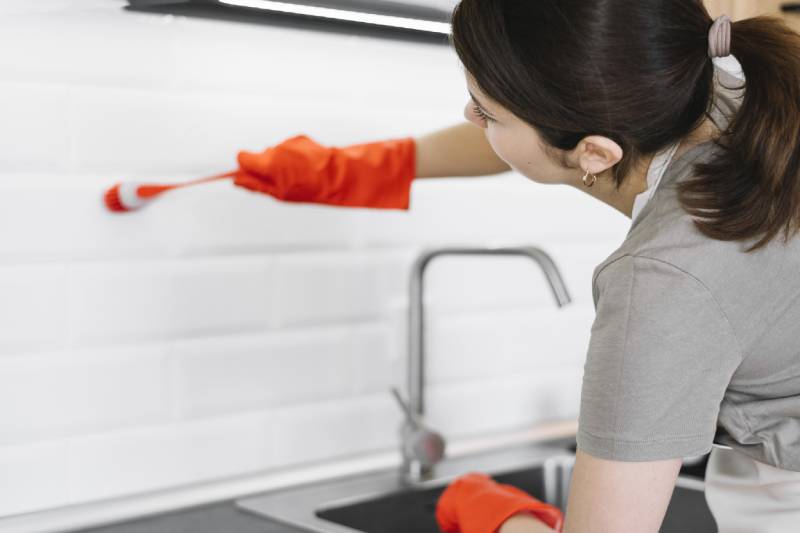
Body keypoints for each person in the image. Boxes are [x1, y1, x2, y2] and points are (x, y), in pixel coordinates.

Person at [233, 1, 800, 531]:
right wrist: (368, 167)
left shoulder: (662, 279)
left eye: (485, 110)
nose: (469, 115)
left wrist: (503, 518)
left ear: (596, 156)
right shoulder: (734, 97)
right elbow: (553, 125)